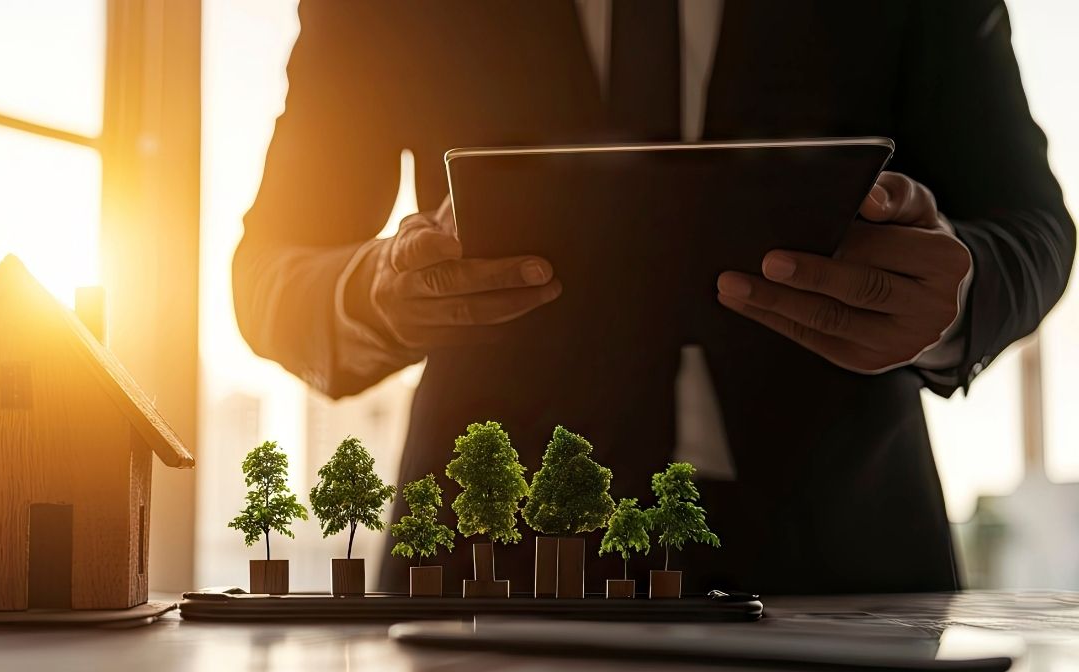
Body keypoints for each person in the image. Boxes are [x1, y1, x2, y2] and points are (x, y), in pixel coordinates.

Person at [232, 1, 1074, 594]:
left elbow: (1030, 224)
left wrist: (950, 298)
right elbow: (269, 268)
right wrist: (376, 293)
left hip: (848, 562)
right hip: (488, 568)